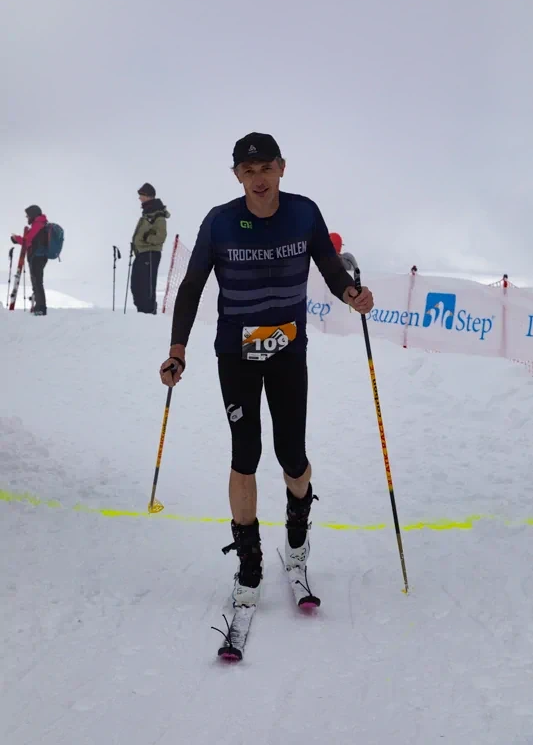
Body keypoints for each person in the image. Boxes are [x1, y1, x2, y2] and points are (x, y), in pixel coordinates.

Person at [159, 133, 374, 607]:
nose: (258, 179)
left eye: (266, 168)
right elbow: (192, 286)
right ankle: (250, 562)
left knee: (292, 456)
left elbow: (329, 266)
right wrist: (178, 349)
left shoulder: (304, 213)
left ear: (282, 168)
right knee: (246, 453)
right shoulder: (219, 222)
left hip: (288, 351)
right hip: (235, 353)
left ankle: (296, 540)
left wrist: (350, 293)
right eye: (248, 171)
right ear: (237, 175)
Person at [130, 183, 170, 314]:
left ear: (148, 196)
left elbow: (161, 236)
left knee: (146, 286)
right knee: (136, 285)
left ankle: (148, 312)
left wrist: (146, 238)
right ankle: (142, 312)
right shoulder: (148, 212)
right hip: (142, 253)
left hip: (150, 254)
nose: (139, 198)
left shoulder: (158, 215)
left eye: (141, 195)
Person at [11, 205, 49, 316]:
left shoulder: (38, 224)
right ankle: (38, 306)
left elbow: (27, 241)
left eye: (28, 215)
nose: (27, 217)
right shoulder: (40, 224)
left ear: (33, 214)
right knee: (36, 281)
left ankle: (41, 308)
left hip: (37, 257)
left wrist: (16, 238)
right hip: (39, 256)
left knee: (37, 282)